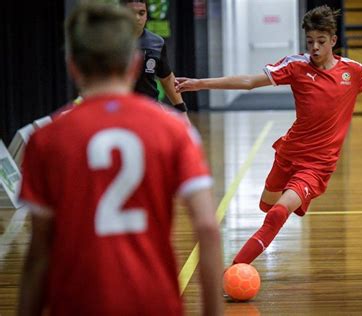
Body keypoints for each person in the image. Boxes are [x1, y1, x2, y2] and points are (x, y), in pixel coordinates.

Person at [175, 5, 362, 266]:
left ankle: (235, 268)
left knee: (276, 214)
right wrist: (199, 83)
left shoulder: (352, 71)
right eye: (310, 41)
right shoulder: (296, 66)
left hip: (317, 166)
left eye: (321, 40)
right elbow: (250, 82)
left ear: (333, 40)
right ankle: (284, 203)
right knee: (266, 204)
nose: (315, 47)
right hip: (288, 154)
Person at [18, 3, 223, 316]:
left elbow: (39, 251)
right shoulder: (173, 132)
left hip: (76, 301)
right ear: (134, 65)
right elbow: (207, 226)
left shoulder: (46, 139)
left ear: (73, 66)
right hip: (154, 300)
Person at [120, 0, 189, 117]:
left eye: (141, 13)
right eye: (131, 13)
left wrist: (182, 110)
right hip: (120, 108)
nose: (137, 18)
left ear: (147, 15)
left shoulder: (157, 42)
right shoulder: (110, 41)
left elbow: (167, 78)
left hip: (149, 107)